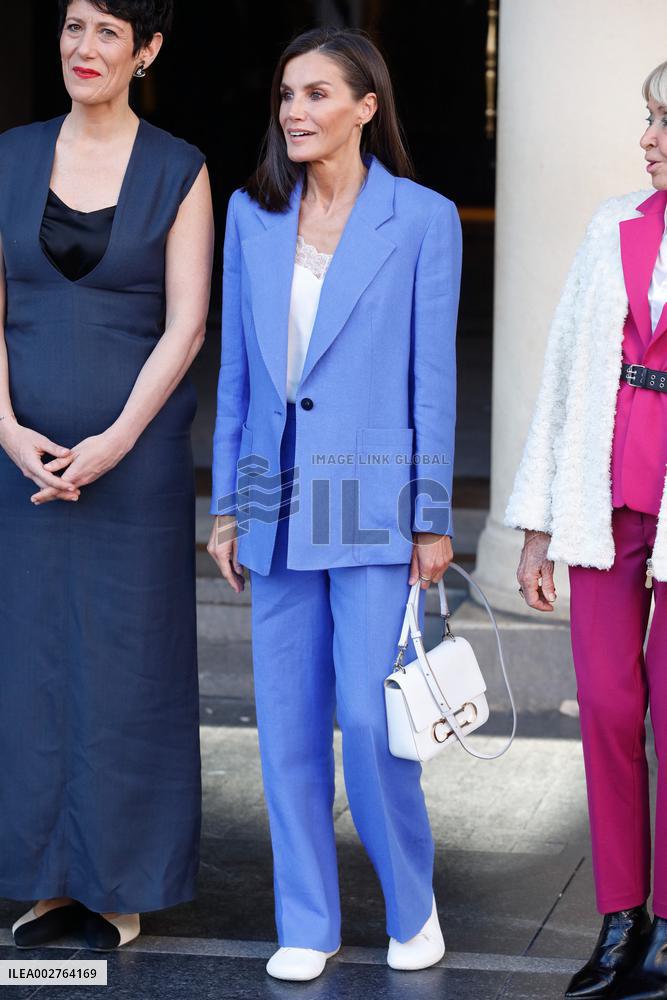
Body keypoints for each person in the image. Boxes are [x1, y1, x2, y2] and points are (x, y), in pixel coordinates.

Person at [207, 26, 461, 983]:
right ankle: (307, 922)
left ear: (366, 107)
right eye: (285, 95)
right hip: (271, 497)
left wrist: (430, 517)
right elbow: (236, 375)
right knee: (286, 725)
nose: (295, 112)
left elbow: (430, 382)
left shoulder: (423, 218)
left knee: (369, 717)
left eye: (317, 94)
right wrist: (229, 507)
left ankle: (411, 905)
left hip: (372, 498)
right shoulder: (251, 216)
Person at [0, 0, 213, 951]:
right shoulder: (6, 155)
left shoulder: (181, 168)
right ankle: (45, 880)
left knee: (129, 668)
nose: (85, 49)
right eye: (74, 26)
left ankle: (117, 885)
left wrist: (120, 437)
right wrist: (5, 429)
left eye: (109, 34)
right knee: (31, 664)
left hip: (136, 465)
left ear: (148, 52)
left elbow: (186, 323)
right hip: (18, 460)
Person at [505, 60, 667, 1000]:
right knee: (609, 708)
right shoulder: (611, 226)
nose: (647, 140)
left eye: (664, 124)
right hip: (600, 495)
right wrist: (532, 524)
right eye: (647, 120)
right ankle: (620, 915)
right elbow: (565, 370)